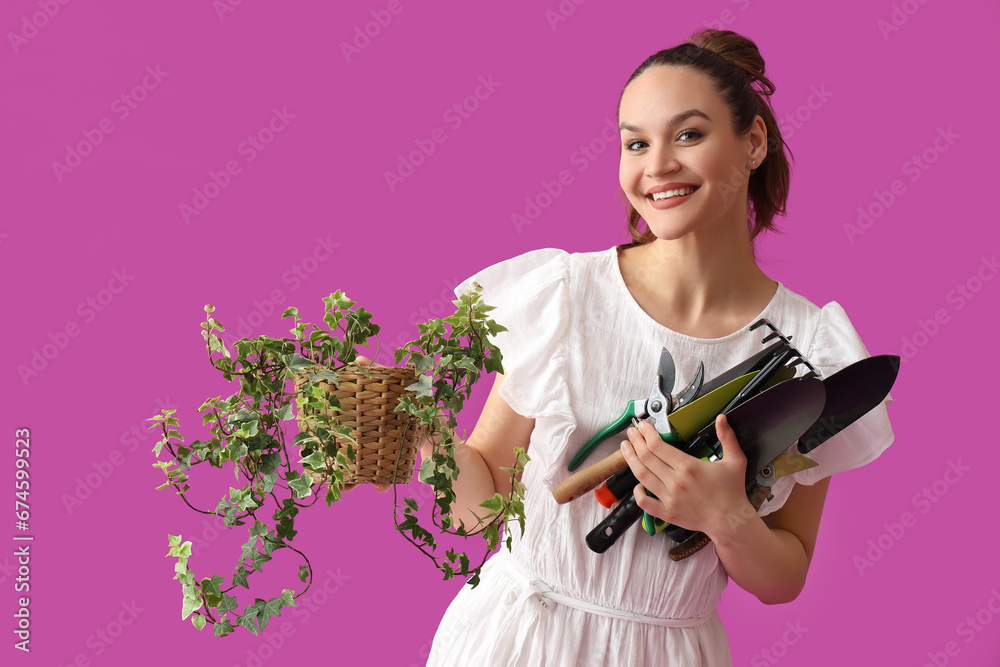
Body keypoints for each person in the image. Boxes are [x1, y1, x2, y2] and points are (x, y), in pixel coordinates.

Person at [420, 28, 895, 666]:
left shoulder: (814, 348)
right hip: (518, 640)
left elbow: (784, 578)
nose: (657, 166)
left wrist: (726, 516)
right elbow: (480, 512)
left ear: (752, 142)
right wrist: (419, 437)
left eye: (689, 135)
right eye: (636, 143)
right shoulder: (565, 298)